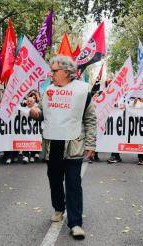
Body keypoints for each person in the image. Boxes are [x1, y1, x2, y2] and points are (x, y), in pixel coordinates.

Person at [30, 56, 96, 239]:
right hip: (53, 145)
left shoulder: (83, 91)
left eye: (54, 71)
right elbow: (44, 115)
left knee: (74, 184)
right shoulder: (48, 90)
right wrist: (35, 113)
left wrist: (90, 143)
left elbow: (90, 119)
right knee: (54, 179)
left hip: (73, 144)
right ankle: (59, 207)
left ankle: (75, 223)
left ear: (67, 72)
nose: (51, 74)